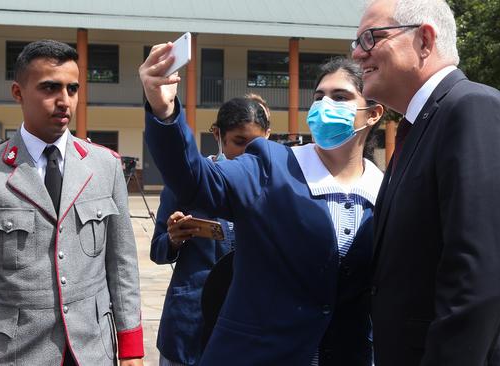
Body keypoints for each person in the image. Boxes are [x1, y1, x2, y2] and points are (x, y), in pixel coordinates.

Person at [352, 1, 500, 365]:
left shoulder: (473, 109)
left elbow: (478, 277)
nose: (358, 54)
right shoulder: (421, 126)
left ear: (424, 40)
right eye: (355, 43)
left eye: (369, 38)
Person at [141, 52, 384, 365]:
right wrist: (164, 111)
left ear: (373, 113)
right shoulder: (272, 165)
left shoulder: (386, 191)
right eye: (319, 97)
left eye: (340, 97)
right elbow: (195, 179)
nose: (326, 106)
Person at [0, 40, 143, 366]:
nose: (64, 100)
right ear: (18, 93)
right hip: (15, 352)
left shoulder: (105, 166)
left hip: (93, 349)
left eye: (72, 88)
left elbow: (122, 264)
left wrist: (132, 348)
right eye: (50, 87)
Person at [151, 96, 270, 366]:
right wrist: (173, 239)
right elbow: (157, 250)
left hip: (249, 325)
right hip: (190, 325)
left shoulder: (278, 188)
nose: (248, 154)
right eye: (239, 142)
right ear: (217, 134)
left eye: (257, 145)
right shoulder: (188, 183)